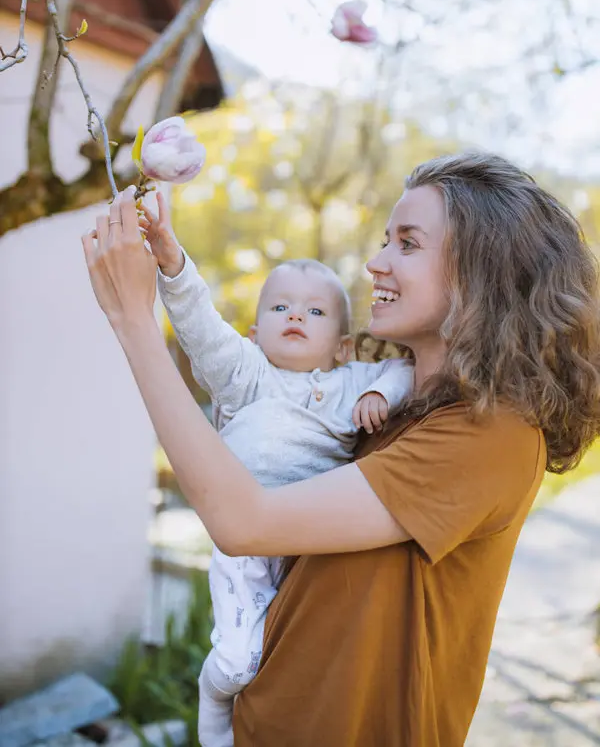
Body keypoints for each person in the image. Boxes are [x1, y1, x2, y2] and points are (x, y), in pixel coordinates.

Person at [82, 153, 600, 746]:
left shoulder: (494, 433)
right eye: (385, 240)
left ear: (485, 273)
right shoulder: (378, 409)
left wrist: (134, 320)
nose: (375, 263)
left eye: (407, 244)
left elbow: (243, 521)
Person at [137, 194, 413, 747]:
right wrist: (172, 262)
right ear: (255, 330)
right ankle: (215, 702)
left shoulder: (349, 382)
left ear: (339, 347)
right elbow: (199, 324)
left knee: (290, 657)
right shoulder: (245, 376)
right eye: (280, 307)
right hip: (243, 543)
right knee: (238, 663)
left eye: (314, 312)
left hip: (309, 546)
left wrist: (381, 390)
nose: (294, 316)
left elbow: (407, 370)